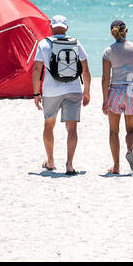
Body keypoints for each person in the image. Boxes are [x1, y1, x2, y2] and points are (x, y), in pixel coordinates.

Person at [32, 15, 91, 175]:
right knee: (72, 128)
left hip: (51, 91)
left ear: (51, 27)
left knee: (49, 125)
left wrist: (36, 92)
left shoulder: (44, 44)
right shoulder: (76, 43)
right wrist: (87, 91)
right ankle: (69, 165)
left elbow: (37, 69)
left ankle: (50, 162)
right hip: (73, 90)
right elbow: (85, 69)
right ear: (67, 28)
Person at [101, 19, 133, 175]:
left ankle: (116, 166)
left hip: (115, 90)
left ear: (112, 32)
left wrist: (105, 99)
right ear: (126, 30)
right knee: (132, 129)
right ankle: (129, 151)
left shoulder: (108, 51)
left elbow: (105, 78)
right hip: (132, 90)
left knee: (114, 131)